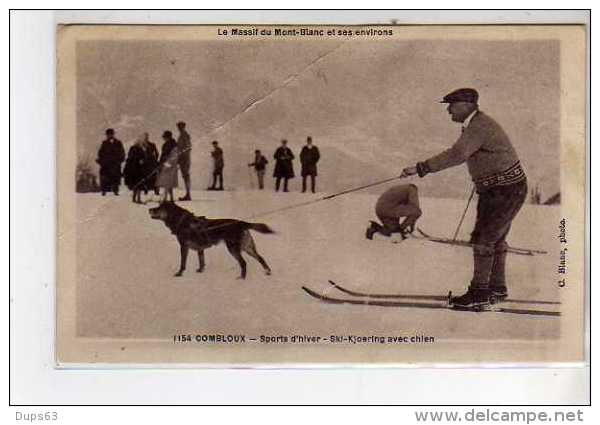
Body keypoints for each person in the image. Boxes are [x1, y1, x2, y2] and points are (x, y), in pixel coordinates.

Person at [400, 88, 527, 308]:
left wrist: (421, 168)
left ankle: (479, 293)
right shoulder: (476, 124)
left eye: (452, 104)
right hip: (500, 189)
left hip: (504, 190)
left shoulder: (479, 126)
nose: (448, 109)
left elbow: (457, 154)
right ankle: (496, 288)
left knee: (484, 239)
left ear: (467, 104)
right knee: (493, 238)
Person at [96, 128, 125, 196]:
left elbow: (122, 152)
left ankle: (116, 190)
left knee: (116, 177)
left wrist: (120, 160)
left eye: (111, 134)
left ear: (113, 134)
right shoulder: (104, 143)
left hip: (115, 164)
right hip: (106, 164)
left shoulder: (118, 142)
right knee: (104, 178)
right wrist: (101, 161)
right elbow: (100, 153)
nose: (109, 135)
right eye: (108, 134)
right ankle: (104, 191)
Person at [123, 135, 147, 204]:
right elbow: (142, 159)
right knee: (138, 184)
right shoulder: (139, 149)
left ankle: (135, 198)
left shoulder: (133, 149)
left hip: (134, 169)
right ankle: (137, 198)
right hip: (137, 169)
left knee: (136, 184)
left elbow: (130, 158)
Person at [156, 130, 179, 202]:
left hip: (167, 164)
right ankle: (171, 197)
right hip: (172, 164)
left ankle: (165, 198)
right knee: (170, 182)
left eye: (164, 137)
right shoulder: (174, 144)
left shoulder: (168, 145)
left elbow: (164, 155)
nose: (163, 138)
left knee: (166, 181)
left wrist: (162, 164)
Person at [176, 121, 192, 201]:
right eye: (178, 126)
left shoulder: (185, 135)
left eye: (180, 126)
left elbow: (188, 147)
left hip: (185, 159)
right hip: (183, 158)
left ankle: (188, 194)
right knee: (185, 176)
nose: (179, 128)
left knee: (186, 176)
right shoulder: (182, 135)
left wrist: (182, 156)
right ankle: (188, 194)